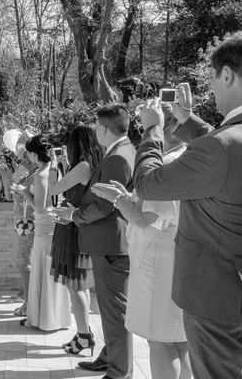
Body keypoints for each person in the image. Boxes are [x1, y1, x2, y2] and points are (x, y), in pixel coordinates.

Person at [134, 34, 242, 379]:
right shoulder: (226, 143)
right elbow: (225, 151)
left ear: (226, 75)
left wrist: (152, 129)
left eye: (212, 78)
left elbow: (149, 182)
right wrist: (187, 121)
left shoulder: (219, 148)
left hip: (217, 297)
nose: (211, 88)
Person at [92, 103, 191, 379]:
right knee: (181, 341)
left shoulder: (169, 162)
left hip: (158, 262)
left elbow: (147, 218)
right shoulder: (190, 155)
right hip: (178, 257)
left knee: (160, 342)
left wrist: (119, 201)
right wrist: (130, 197)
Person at [54, 104, 136, 379]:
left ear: (102, 128)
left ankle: (119, 371)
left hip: (111, 244)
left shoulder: (117, 158)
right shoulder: (118, 152)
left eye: (96, 125)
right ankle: (109, 356)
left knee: (115, 312)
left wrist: (74, 215)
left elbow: (105, 205)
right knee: (110, 308)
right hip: (107, 242)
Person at [48, 124, 103, 356]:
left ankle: (83, 336)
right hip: (78, 226)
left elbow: (54, 188)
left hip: (73, 230)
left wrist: (53, 166)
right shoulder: (93, 163)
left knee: (75, 286)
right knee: (78, 285)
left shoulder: (82, 166)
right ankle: (84, 332)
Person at [20, 134, 71, 331]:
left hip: (45, 226)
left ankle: (45, 318)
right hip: (52, 223)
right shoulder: (52, 169)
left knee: (43, 268)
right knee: (50, 270)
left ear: (34, 154)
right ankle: (54, 316)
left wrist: (24, 192)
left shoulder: (42, 174)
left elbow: (39, 207)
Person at [0, 133, 37, 317]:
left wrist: (10, 179)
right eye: (21, 158)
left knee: (25, 263)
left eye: (26, 157)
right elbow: (9, 195)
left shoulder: (38, 173)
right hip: (20, 220)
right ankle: (27, 301)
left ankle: (30, 304)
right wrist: (6, 178)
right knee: (23, 262)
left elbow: (30, 196)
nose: (23, 162)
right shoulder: (22, 170)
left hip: (31, 221)